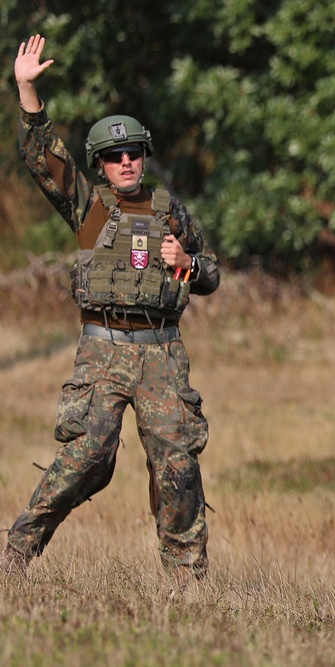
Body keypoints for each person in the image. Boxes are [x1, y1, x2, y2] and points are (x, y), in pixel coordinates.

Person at [0, 35, 220, 585]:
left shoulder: (173, 211)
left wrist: (189, 261)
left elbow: (212, 273)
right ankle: (16, 555)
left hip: (163, 353)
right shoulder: (91, 209)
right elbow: (44, 159)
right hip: (103, 349)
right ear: (101, 164)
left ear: (145, 156)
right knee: (86, 459)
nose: (127, 163)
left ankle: (188, 585)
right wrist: (28, 90)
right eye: (115, 157)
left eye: (135, 154)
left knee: (177, 466)